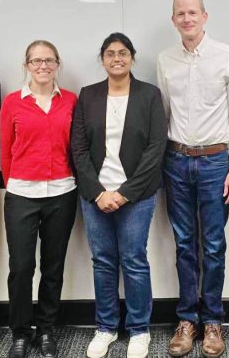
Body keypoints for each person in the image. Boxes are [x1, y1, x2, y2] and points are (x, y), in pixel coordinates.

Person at [157, 0, 229, 358]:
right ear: (173, 20)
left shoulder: (228, 55)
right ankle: (187, 320)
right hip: (176, 160)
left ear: (205, 16)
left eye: (192, 12)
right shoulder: (165, 59)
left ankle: (212, 320)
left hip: (215, 163)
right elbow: (163, 113)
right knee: (183, 244)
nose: (187, 18)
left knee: (213, 245)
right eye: (180, 13)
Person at [71, 33, 167, 358]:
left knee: (134, 261)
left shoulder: (149, 95)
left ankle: (139, 330)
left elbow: (156, 148)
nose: (117, 58)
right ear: (102, 59)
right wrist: (98, 193)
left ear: (132, 58)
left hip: (137, 195)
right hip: (95, 196)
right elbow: (78, 148)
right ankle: (106, 327)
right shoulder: (88, 95)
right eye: (110, 53)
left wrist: (125, 193)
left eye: (123, 53)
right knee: (103, 262)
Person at [0, 40, 78, 358]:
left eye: (48, 60)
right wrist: (14, 184)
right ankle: (20, 332)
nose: (43, 66)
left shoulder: (70, 100)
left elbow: (77, 146)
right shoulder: (12, 103)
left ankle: (46, 330)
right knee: (21, 267)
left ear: (57, 64)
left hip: (62, 192)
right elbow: (5, 150)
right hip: (22, 194)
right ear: (26, 66)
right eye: (36, 61)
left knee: (53, 266)